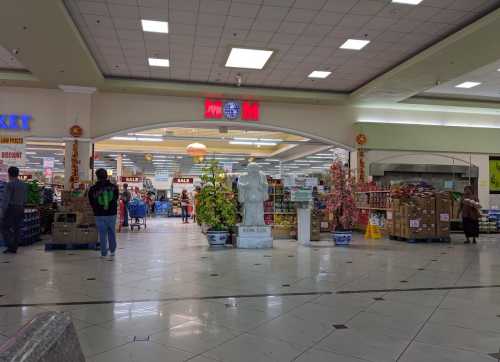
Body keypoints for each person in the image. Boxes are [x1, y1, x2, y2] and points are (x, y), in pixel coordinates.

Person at [88, 169, 119, 257]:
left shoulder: (93, 189)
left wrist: (96, 209)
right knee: (111, 232)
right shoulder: (114, 187)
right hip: (111, 214)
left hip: (99, 214)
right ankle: (112, 250)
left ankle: (103, 252)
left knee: (102, 234)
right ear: (106, 176)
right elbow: (115, 198)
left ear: (97, 177)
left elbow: (91, 201)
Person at [1, 167, 27, 254]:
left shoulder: (9, 184)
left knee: (4, 227)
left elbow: (6, 200)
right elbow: (24, 199)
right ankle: (14, 247)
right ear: (17, 174)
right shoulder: (23, 185)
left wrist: (2, 211)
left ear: (9, 174)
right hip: (20, 208)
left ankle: (10, 246)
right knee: (17, 228)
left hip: (11, 208)